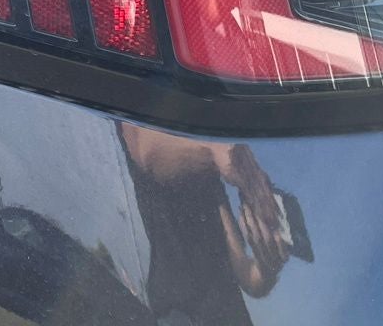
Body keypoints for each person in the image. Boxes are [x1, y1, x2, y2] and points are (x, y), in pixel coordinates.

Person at [121, 124, 290, 325]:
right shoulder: (142, 136)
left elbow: (248, 277)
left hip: (222, 312)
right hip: (171, 311)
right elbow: (144, 150)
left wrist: (267, 267)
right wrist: (214, 149)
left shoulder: (211, 187)